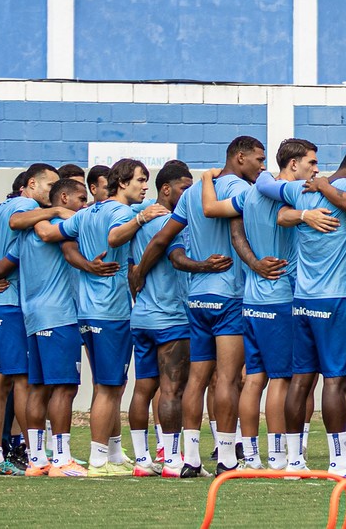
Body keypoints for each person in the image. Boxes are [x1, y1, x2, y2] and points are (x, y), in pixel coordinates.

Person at [135, 135, 267, 473]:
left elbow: (164, 239)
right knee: (227, 379)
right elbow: (238, 238)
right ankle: (225, 458)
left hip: (196, 299)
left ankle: (190, 459)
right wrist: (257, 266)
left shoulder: (192, 193)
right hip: (229, 296)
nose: (262, 166)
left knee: (196, 379)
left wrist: (138, 274)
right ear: (239, 158)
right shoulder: (239, 190)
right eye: (258, 159)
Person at [252, 148, 346, 476]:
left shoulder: (299, 191)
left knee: (301, 381)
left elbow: (262, 183)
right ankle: (338, 461)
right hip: (336, 301)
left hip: (303, 301)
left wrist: (304, 208)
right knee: (336, 382)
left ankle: (295, 461)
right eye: (312, 162)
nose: (316, 168)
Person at [209, 138, 328, 473]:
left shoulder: (248, 195)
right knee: (281, 380)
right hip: (280, 299)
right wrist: (307, 215)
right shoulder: (288, 194)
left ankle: (252, 456)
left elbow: (221, 217)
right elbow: (287, 217)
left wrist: (208, 182)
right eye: (311, 163)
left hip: (251, 299)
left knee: (255, 379)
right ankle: (278, 457)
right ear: (293, 165)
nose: (315, 170)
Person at [0, 174, 110, 476]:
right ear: (64, 199)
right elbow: (68, 251)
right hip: (61, 316)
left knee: (37, 388)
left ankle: (37, 459)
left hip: (32, 318)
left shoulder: (28, 234)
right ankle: (62, 459)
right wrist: (91, 265)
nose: (84, 205)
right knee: (64, 389)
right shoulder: (57, 231)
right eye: (81, 199)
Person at [67, 158, 165, 475]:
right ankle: (98, 459)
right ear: (122, 182)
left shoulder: (86, 213)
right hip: (111, 312)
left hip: (87, 310)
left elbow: (54, 233)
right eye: (140, 180)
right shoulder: (122, 213)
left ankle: (112, 453)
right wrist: (139, 221)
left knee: (108, 386)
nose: (144, 186)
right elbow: (114, 237)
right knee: (109, 388)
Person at [0, 162, 56, 475]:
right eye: (50, 186)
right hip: (11, 304)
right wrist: (55, 212)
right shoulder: (27, 209)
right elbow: (17, 227)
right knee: (22, 381)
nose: (53, 194)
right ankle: (33, 455)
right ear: (31, 184)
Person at [128, 160, 195, 477]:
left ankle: (142, 462)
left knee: (143, 389)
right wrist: (206, 265)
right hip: (170, 318)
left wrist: (140, 294)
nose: (190, 193)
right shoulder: (169, 222)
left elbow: (131, 272)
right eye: (185, 187)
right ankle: (172, 461)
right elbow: (176, 259)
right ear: (166, 189)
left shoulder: (139, 222)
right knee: (172, 390)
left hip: (141, 317)